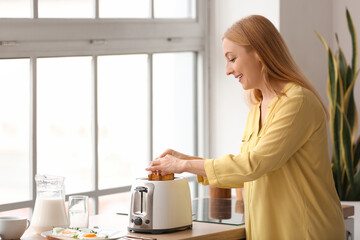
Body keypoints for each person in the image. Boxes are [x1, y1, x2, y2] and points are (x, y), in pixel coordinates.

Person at [146, 15, 346, 240]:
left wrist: (184, 164)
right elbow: (245, 172)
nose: (227, 70)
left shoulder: (297, 103)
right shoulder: (257, 108)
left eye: (232, 59)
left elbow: (254, 165)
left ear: (259, 52)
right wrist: (187, 161)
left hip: (306, 232)